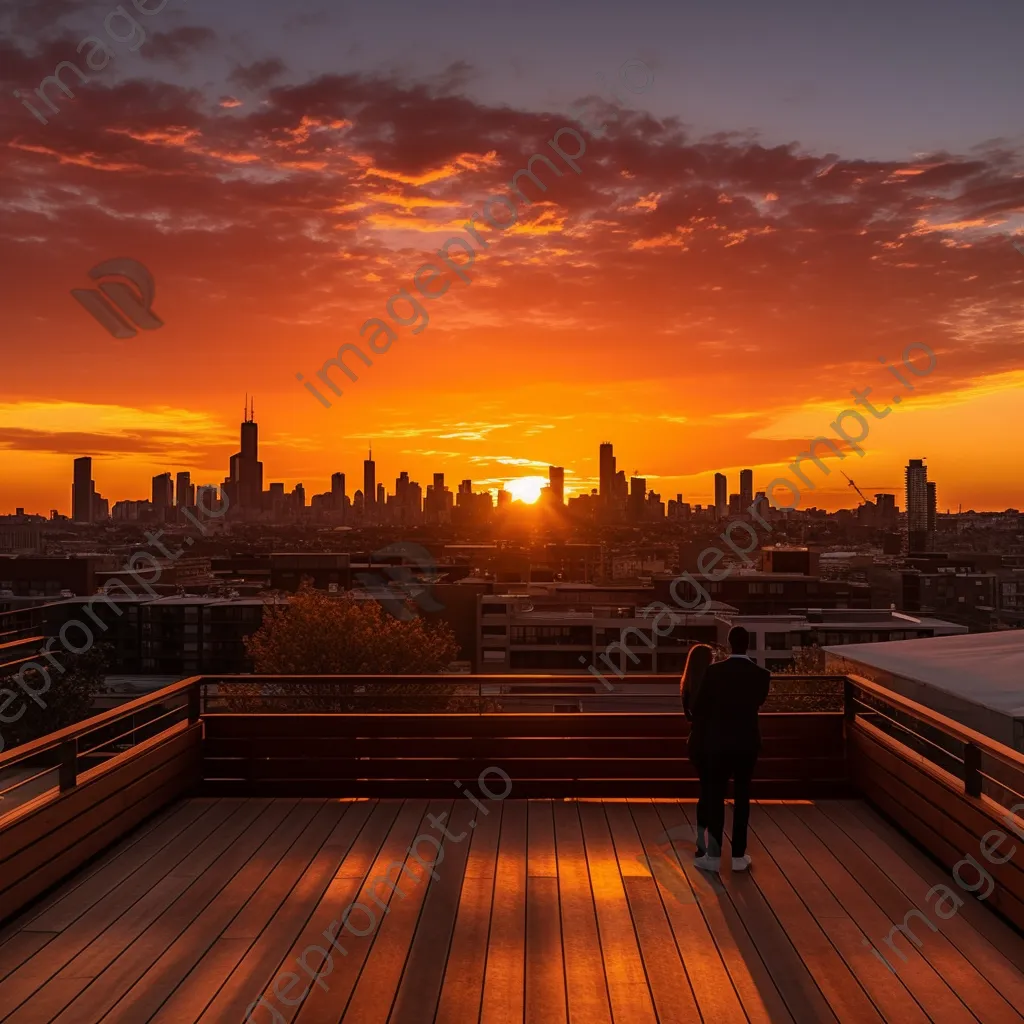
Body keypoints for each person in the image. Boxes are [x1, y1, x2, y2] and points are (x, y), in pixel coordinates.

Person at [691, 625, 771, 873]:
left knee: (715, 797)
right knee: (742, 797)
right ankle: (738, 856)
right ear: (748, 644)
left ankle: (713, 857)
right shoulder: (762, 675)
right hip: (747, 743)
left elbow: (699, 708)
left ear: (728, 643)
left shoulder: (714, 672)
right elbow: (757, 702)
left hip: (718, 743)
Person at [680, 643, 714, 857]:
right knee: (714, 792)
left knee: (705, 791)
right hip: (714, 741)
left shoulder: (687, 685)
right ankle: (713, 841)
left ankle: (700, 840)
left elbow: (689, 716)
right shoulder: (714, 683)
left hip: (697, 742)